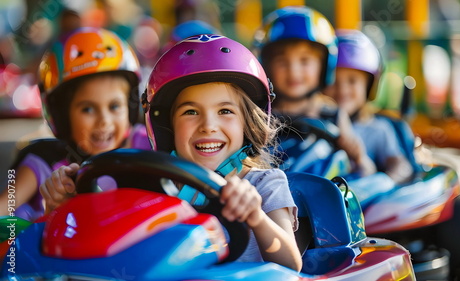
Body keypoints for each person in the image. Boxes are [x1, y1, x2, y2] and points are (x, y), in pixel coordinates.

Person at [40, 34, 302, 271]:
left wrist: (255, 216)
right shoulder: (151, 186)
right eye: (190, 112)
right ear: (167, 127)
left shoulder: (265, 184)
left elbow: (292, 264)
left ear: (248, 122)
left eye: (225, 111)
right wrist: (63, 207)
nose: (208, 125)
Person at [0, 27, 149, 221]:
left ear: (131, 106)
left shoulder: (148, 145)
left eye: (114, 106)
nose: (104, 120)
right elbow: (6, 207)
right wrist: (52, 211)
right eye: (88, 109)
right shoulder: (44, 164)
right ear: (62, 116)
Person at [252, 6, 376, 177]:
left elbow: (364, 170)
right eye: (282, 61)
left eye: (305, 61)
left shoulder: (333, 115)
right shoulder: (258, 115)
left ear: (325, 66)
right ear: (265, 65)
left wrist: (357, 156)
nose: (294, 71)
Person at [324, 29, 413, 184]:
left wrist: (382, 183)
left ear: (370, 86)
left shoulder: (378, 129)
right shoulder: (313, 125)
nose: (342, 89)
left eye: (352, 81)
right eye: (333, 80)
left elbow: (401, 167)